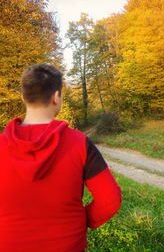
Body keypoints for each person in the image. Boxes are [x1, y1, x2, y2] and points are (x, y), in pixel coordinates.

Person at [0, 63, 122, 252]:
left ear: (23, 97)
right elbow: (110, 199)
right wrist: (81, 220)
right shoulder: (79, 143)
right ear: (56, 97)